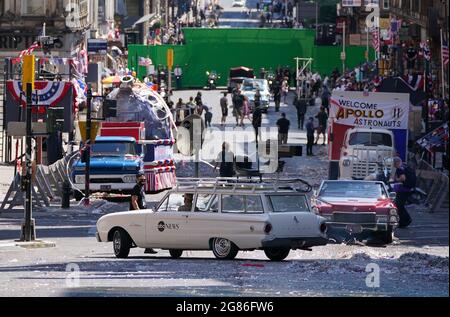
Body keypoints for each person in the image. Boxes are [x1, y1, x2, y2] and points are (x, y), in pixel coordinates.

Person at [130, 173, 157, 254]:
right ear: (137, 179)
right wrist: (138, 211)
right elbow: (134, 201)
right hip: (138, 213)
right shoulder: (136, 188)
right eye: (141, 180)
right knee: (143, 229)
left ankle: (148, 248)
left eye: (144, 180)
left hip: (142, 211)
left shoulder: (142, 188)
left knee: (146, 230)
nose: (143, 181)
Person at [392, 157, 414, 228]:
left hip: (403, 189)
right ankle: (404, 221)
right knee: (400, 205)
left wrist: (396, 179)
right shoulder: (405, 166)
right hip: (408, 188)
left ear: (396, 163)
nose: (393, 165)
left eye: (394, 164)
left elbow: (403, 178)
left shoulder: (399, 169)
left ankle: (405, 221)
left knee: (399, 205)